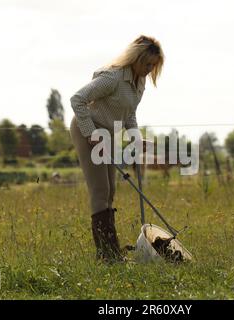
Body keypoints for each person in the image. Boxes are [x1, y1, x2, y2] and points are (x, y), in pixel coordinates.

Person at [70, 35, 165, 262]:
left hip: (107, 135)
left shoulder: (139, 82)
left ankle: (111, 250)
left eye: (154, 66)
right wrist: (91, 133)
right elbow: (77, 99)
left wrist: (136, 138)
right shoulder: (112, 77)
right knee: (100, 191)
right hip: (88, 132)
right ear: (136, 58)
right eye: (147, 64)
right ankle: (107, 256)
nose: (150, 69)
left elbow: (129, 113)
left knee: (111, 191)